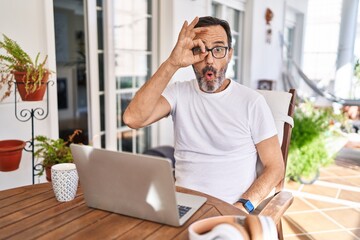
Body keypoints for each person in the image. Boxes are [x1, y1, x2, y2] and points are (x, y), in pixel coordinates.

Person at [123, 16, 284, 213]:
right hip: (180, 206)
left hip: (229, 209)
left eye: (218, 49)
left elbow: (275, 167)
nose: (209, 60)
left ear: (229, 54)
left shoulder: (252, 102)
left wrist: (244, 206)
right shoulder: (178, 93)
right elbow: (133, 118)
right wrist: (172, 63)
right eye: (200, 50)